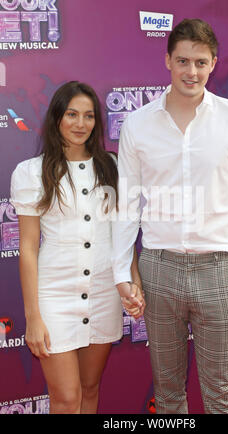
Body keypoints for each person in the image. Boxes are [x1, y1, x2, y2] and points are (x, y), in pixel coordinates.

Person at [112, 19, 228, 414]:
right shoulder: (137, 124)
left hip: (218, 269)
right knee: (168, 395)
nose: (192, 71)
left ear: (214, 64)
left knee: (222, 395)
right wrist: (122, 272)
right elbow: (127, 205)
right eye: (183, 61)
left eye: (201, 62)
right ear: (168, 61)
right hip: (158, 270)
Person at [10, 81, 144, 414]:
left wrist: (134, 281)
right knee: (67, 398)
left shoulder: (113, 167)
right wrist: (33, 318)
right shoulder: (31, 173)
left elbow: (122, 236)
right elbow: (27, 248)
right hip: (55, 296)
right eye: (72, 114)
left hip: (103, 293)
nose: (80, 124)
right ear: (57, 117)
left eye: (88, 116)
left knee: (89, 388)